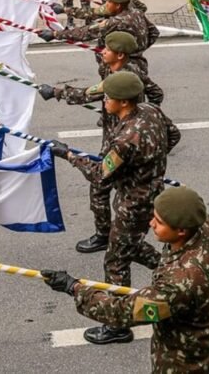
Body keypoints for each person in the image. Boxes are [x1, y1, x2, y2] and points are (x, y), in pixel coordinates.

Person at [47, 71, 182, 344]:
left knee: (116, 260)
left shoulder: (127, 138)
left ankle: (117, 325)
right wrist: (150, 164)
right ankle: (172, 270)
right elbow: (174, 136)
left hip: (133, 203)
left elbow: (100, 175)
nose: (104, 101)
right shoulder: (151, 111)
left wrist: (69, 155)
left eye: (108, 97)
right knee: (127, 244)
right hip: (152, 194)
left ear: (123, 102)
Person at [41, 186, 209, 369]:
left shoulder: (180, 281)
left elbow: (123, 312)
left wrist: (74, 288)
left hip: (183, 359)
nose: (151, 224)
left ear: (181, 230)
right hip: (203, 332)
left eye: (159, 222)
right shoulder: (206, 224)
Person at [38, 32, 163, 253]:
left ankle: (104, 236)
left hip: (119, 142)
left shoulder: (120, 82)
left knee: (100, 186)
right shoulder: (130, 76)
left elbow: (88, 94)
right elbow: (156, 95)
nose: (102, 51)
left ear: (120, 55)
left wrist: (68, 154)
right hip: (121, 134)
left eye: (107, 49)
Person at [44, 0, 159, 73]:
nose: (106, 5)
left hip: (120, 67)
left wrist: (55, 34)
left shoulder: (116, 21)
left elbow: (85, 33)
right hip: (139, 65)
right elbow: (154, 32)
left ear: (118, 5)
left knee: (114, 95)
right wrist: (138, 50)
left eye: (109, 2)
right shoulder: (136, 12)